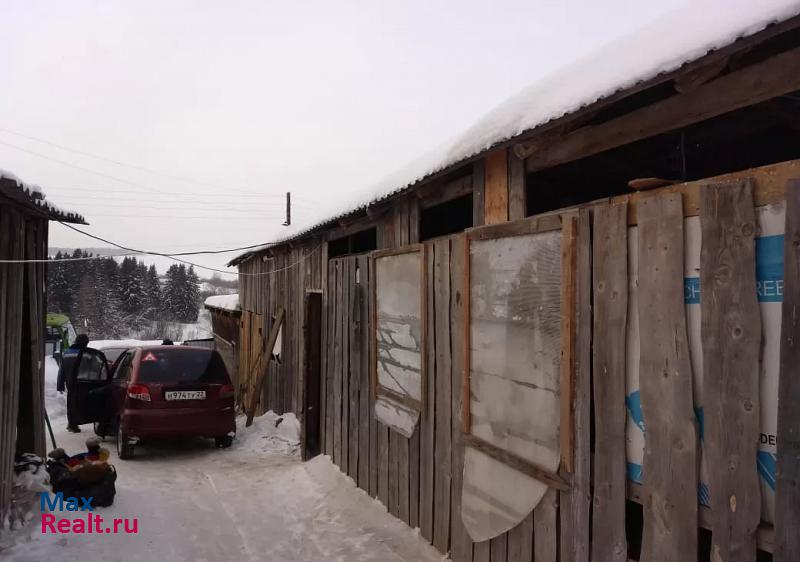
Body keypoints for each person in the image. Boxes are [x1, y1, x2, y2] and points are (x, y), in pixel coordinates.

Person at [56, 333, 90, 433]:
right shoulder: (86, 353)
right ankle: (75, 423)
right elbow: (91, 369)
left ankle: (72, 424)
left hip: (70, 383)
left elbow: (61, 370)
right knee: (80, 403)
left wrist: (60, 385)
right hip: (82, 382)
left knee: (71, 403)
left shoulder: (67, 353)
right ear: (84, 343)